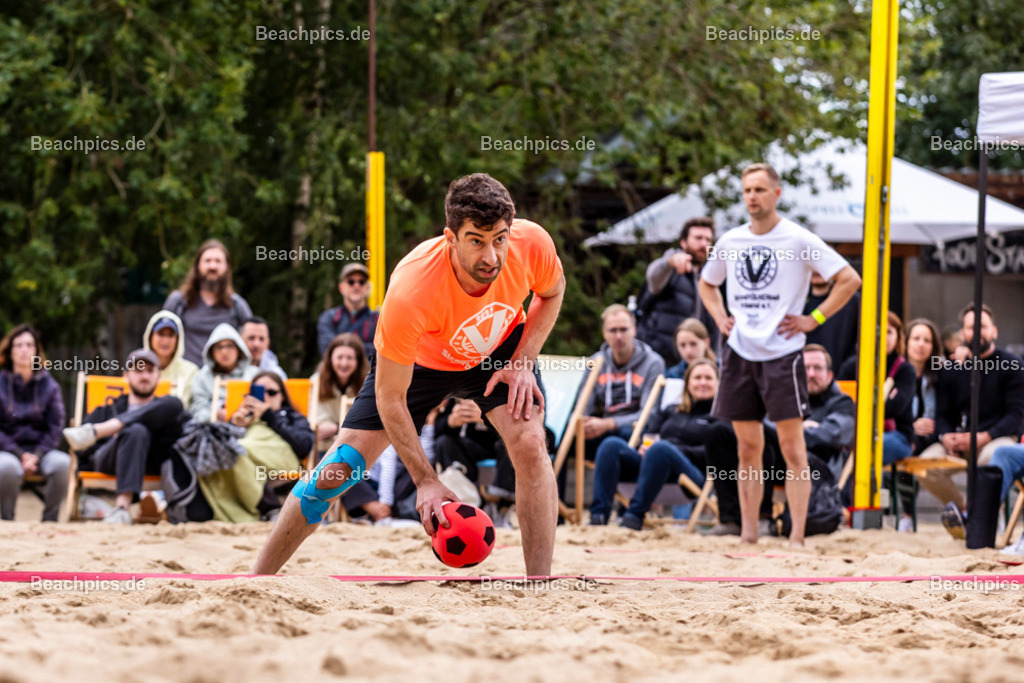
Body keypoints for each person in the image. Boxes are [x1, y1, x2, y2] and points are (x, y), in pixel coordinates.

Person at [252, 173, 565, 576]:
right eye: (477, 241)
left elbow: (551, 292)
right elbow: (391, 399)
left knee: (530, 442)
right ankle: (258, 579)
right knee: (336, 470)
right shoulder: (410, 289)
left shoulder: (532, 243)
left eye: (500, 239)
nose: (492, 256)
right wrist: (426, 481)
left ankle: (539, 584)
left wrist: (522, 360)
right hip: (421, 365)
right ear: (450, 238)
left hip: (499, 351)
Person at [699, 162, 861, 546]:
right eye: (747, 191)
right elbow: (707, 284)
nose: (752, 197)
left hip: (783, 352)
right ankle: (749, 533)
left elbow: (849, 278)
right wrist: (721, 317)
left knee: (792, 448)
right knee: (747, 448)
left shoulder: (797, 238)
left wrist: (813, 318)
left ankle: (798, 537)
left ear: (776, 193)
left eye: (758, 189)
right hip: (739, 351)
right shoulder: (732, 240)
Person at [703, 343, 855, 536]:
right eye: (805, 368)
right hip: (778, 462)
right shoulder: (783, 399)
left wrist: (793, 434)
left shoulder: (841, 403)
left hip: (814, 469)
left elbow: (833, 435)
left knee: (762, 436)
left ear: (830, 375)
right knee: (717, 432)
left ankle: (763, 518)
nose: (810, 374)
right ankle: (731, 519)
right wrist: (792, 431)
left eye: (817, 369)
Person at [916, 303, 1024, 538]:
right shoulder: (953, 367)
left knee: (992, 460)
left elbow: (1016, 415)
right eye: (970, 328)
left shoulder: (1011, 364)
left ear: (994, 331)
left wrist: (985, 436)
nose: (977, 332)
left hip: (996, 438)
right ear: (962, 333)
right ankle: (965, 510)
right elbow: (943, 413)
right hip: (961, 439)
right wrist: (947, 438)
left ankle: (984, 518)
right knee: (924, 467)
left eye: (982, 327)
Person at [589, 359, 719, 529]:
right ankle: (598, 516)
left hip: (691, 474)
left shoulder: (719, 416)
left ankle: (633, 516)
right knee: (610, 445)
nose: (703, 382)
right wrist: (643, 447)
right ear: (688, 383)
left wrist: (676, 451)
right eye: (697, 378)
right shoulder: (671, 410)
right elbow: (649, 435)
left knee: (661, 448)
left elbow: (716, 453)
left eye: (708, 378)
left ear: (718, 383)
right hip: (653, 465)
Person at [62, 349, 187, 524]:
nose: (145, 375)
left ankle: (121, 509)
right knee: (135, 431)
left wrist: (115, 427)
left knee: (170, 406)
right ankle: (122, 508)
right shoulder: (107, 409)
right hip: (109, 461)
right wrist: (118, 441)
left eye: (150, 371)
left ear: (159, 376)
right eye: (139, 370)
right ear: (126, 375)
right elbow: (82, 449)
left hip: (151, 462)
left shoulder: (166, 409)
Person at [200, 372, 315, 522]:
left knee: (237, 450)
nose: (266, 397)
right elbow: (224, 444)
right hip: (247, 456)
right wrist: (234, 425)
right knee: (214, 453)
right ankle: (259, 510)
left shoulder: (290, 416)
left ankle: (268, 508)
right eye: (259, 393)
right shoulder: (244, 417)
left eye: (272, 392)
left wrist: (269, 416)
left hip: (280, 458)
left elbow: (304, 446)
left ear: (282, 396)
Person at [0, 324, 70, 522]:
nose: (24, 350)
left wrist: (36, 455)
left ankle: (50, 521)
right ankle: (6, 521)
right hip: (8, 451)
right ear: (10, 351)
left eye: (29, 345)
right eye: (19, 345)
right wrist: (20, 455)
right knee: (6, 468)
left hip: (42, 452)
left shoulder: (50, 386)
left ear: (37, 351)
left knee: (63, 464)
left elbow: (56, 427)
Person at [582, 304, 666, 451]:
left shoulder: (653, 363)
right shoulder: (595, 361)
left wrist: (609, 423)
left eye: (623, 329)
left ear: (634, 330)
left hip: (633, 430)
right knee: (562, 437)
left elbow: (649, 414)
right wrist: (582, 424)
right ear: (604, 333)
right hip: (602, 428)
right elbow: (582, 407)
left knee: (617, 440)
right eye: (613, 330)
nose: (618, 336)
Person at [636, 217, 718, 364]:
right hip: (659, 359)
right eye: (698, 238)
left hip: (690, 362)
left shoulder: (709, 277)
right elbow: (653, 276)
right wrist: (670, 262)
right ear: (683, 242)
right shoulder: (670, 269)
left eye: (708, 240)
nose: (703, 244)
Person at [164, 239, 253, 366]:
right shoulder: (178, 301)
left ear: (227, 267)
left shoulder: (237, 306)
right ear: (197, 266)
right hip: (187, 379)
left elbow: (252, 345)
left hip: (224, 379)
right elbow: (160, 340)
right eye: (208, 261)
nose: (213, 266)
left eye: (218, 261)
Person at [189, 322, 260, 423]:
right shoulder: (201, 377)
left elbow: (263, 407)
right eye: (219, 347)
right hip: (214, 430)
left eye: (230, 346)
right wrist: (216, 415)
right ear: (211, 351)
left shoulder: (255, 375)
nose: (224, 352)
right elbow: (197, 410)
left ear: (239, 348)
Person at [314, 334, 369, 454]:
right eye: (339, 357)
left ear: (358, 361)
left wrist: (335, 427)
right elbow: (317, 424)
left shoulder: (368, 384)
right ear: (331, 359)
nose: (344, 363)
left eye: (349, 358)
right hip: (324, 450)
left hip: (355, 451)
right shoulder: (316, 382)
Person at [317, 263, 379, 358]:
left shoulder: (378, 320)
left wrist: (341, 348)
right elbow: (327, 349)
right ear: (341, 287)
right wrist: (365, 348)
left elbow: (382, 351)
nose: (356, 286)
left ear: (367, 287)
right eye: (351, 282)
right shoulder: (329, 318)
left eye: (361, 282)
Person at [434, 398, 502, 485]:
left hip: (496, 448)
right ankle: (461, 488)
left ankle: (502, 490)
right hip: (468, 451)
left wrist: (488, 420)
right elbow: (435, 431)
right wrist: (450, 422)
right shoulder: (457, 398)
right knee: (443, 441)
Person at [804, 271, 860, 371]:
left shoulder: (851, 301)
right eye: (813, 265)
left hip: (840, 377)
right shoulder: (795, 301)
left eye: (822, 266)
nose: (817, 269)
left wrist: (847, 368)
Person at [143, 311, 200, 408]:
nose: (165, 340)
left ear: (178, 339)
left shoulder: (191, 371)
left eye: (170, 335)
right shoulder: (137, 368)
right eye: (161, 334)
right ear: (150, 336)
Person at [905, 318, 942, 456]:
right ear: (906, 342)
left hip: (932, 442)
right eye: (916, 338)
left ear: (934, 346)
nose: (921, 344)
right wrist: (911, 427)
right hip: (905, 438)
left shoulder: (940, 374)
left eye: (927, 340)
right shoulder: (895, 374)